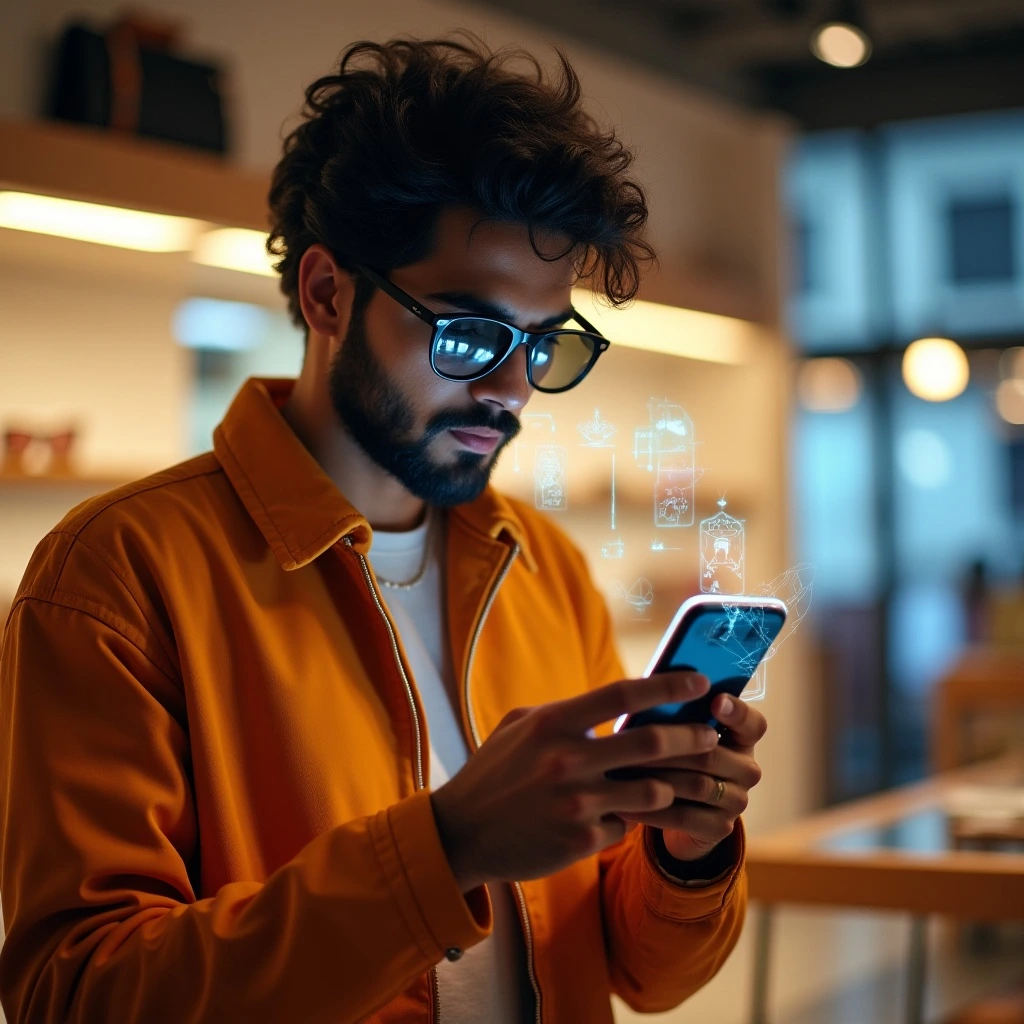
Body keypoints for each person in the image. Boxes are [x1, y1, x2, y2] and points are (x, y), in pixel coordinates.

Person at [0, 36, 766, 1023]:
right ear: (326, 294)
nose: (509, 388)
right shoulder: (117, 575)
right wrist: (444, 849)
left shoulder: (541, 566)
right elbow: (76, 994)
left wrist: (684, 848)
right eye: (468, 333)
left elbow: (641, 973)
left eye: (542, 345)